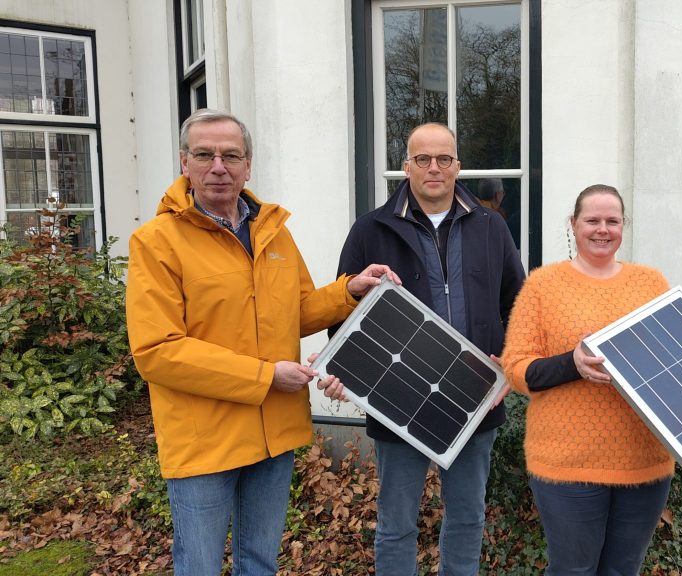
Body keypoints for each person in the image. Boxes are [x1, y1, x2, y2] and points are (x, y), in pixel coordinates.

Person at [126, 108, 397, 575]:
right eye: (204, 154)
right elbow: (158, 351)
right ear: (184, 162)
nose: (218, 167)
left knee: (259, 563)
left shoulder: (274, 232)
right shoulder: (157, 242)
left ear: (247, 165)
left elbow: (296, 312)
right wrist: (266, 375)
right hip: (203, 439)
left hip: (273, 434)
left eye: (231, 155)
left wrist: (348, 290)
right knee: (200, 566)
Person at [328, 122, 525, 575]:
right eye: (422, 159)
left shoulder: (491, 226)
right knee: (397, 523)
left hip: (475, 396)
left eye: (443, 159)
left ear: (458, 167)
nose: (433, 168)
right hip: (398, 400)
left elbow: (517, 302)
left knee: (468, 516)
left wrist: (511, 363)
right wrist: (349, 375)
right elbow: (343, 312)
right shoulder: (371, 230)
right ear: (406, 168)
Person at [502, 184, 675, 575]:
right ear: (573, 224)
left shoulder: (650, 283)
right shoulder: (543, 286)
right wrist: (572, 364)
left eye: (612, 221)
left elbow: (675, 358)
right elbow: (516, 368)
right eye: (592, 220)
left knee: (623, 569)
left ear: (623, 226)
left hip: (644, 460)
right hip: (567, 465)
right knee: (573, 570)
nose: (602, 229)